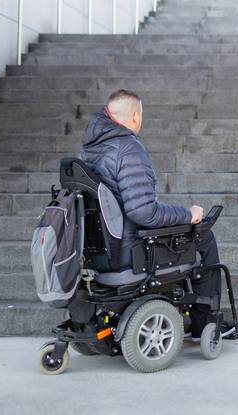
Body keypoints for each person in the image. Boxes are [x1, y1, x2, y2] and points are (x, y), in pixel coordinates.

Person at [78, 89, 221, 339]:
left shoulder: (87, 150)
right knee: (203, 237)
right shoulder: (128, 149)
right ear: (135, 116)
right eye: (141, 116)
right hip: (128, 251)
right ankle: (205, 325)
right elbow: (143, 212)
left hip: (98, 251)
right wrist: (187, 215)